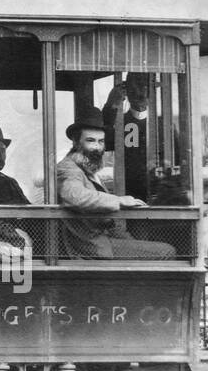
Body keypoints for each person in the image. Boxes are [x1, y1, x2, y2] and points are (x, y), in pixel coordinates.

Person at [56, 107, 175, 260]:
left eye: (101, 142)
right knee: (167, 252)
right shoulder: (68, 168)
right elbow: (75, 196)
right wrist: (119, 200)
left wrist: (131, 243)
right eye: (90, 141)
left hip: (102, 241)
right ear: (75, 142)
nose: (97, 148)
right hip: (90, 246)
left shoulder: (85, 168)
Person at [102, 76, 150, 202]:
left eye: (144, 86)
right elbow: (103, 142)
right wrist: (111, 106)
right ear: (126, 91)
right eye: (135, 88)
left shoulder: (163, 125)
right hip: (128, 194)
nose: (141, 93)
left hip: (157, 195)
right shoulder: (120, 122)